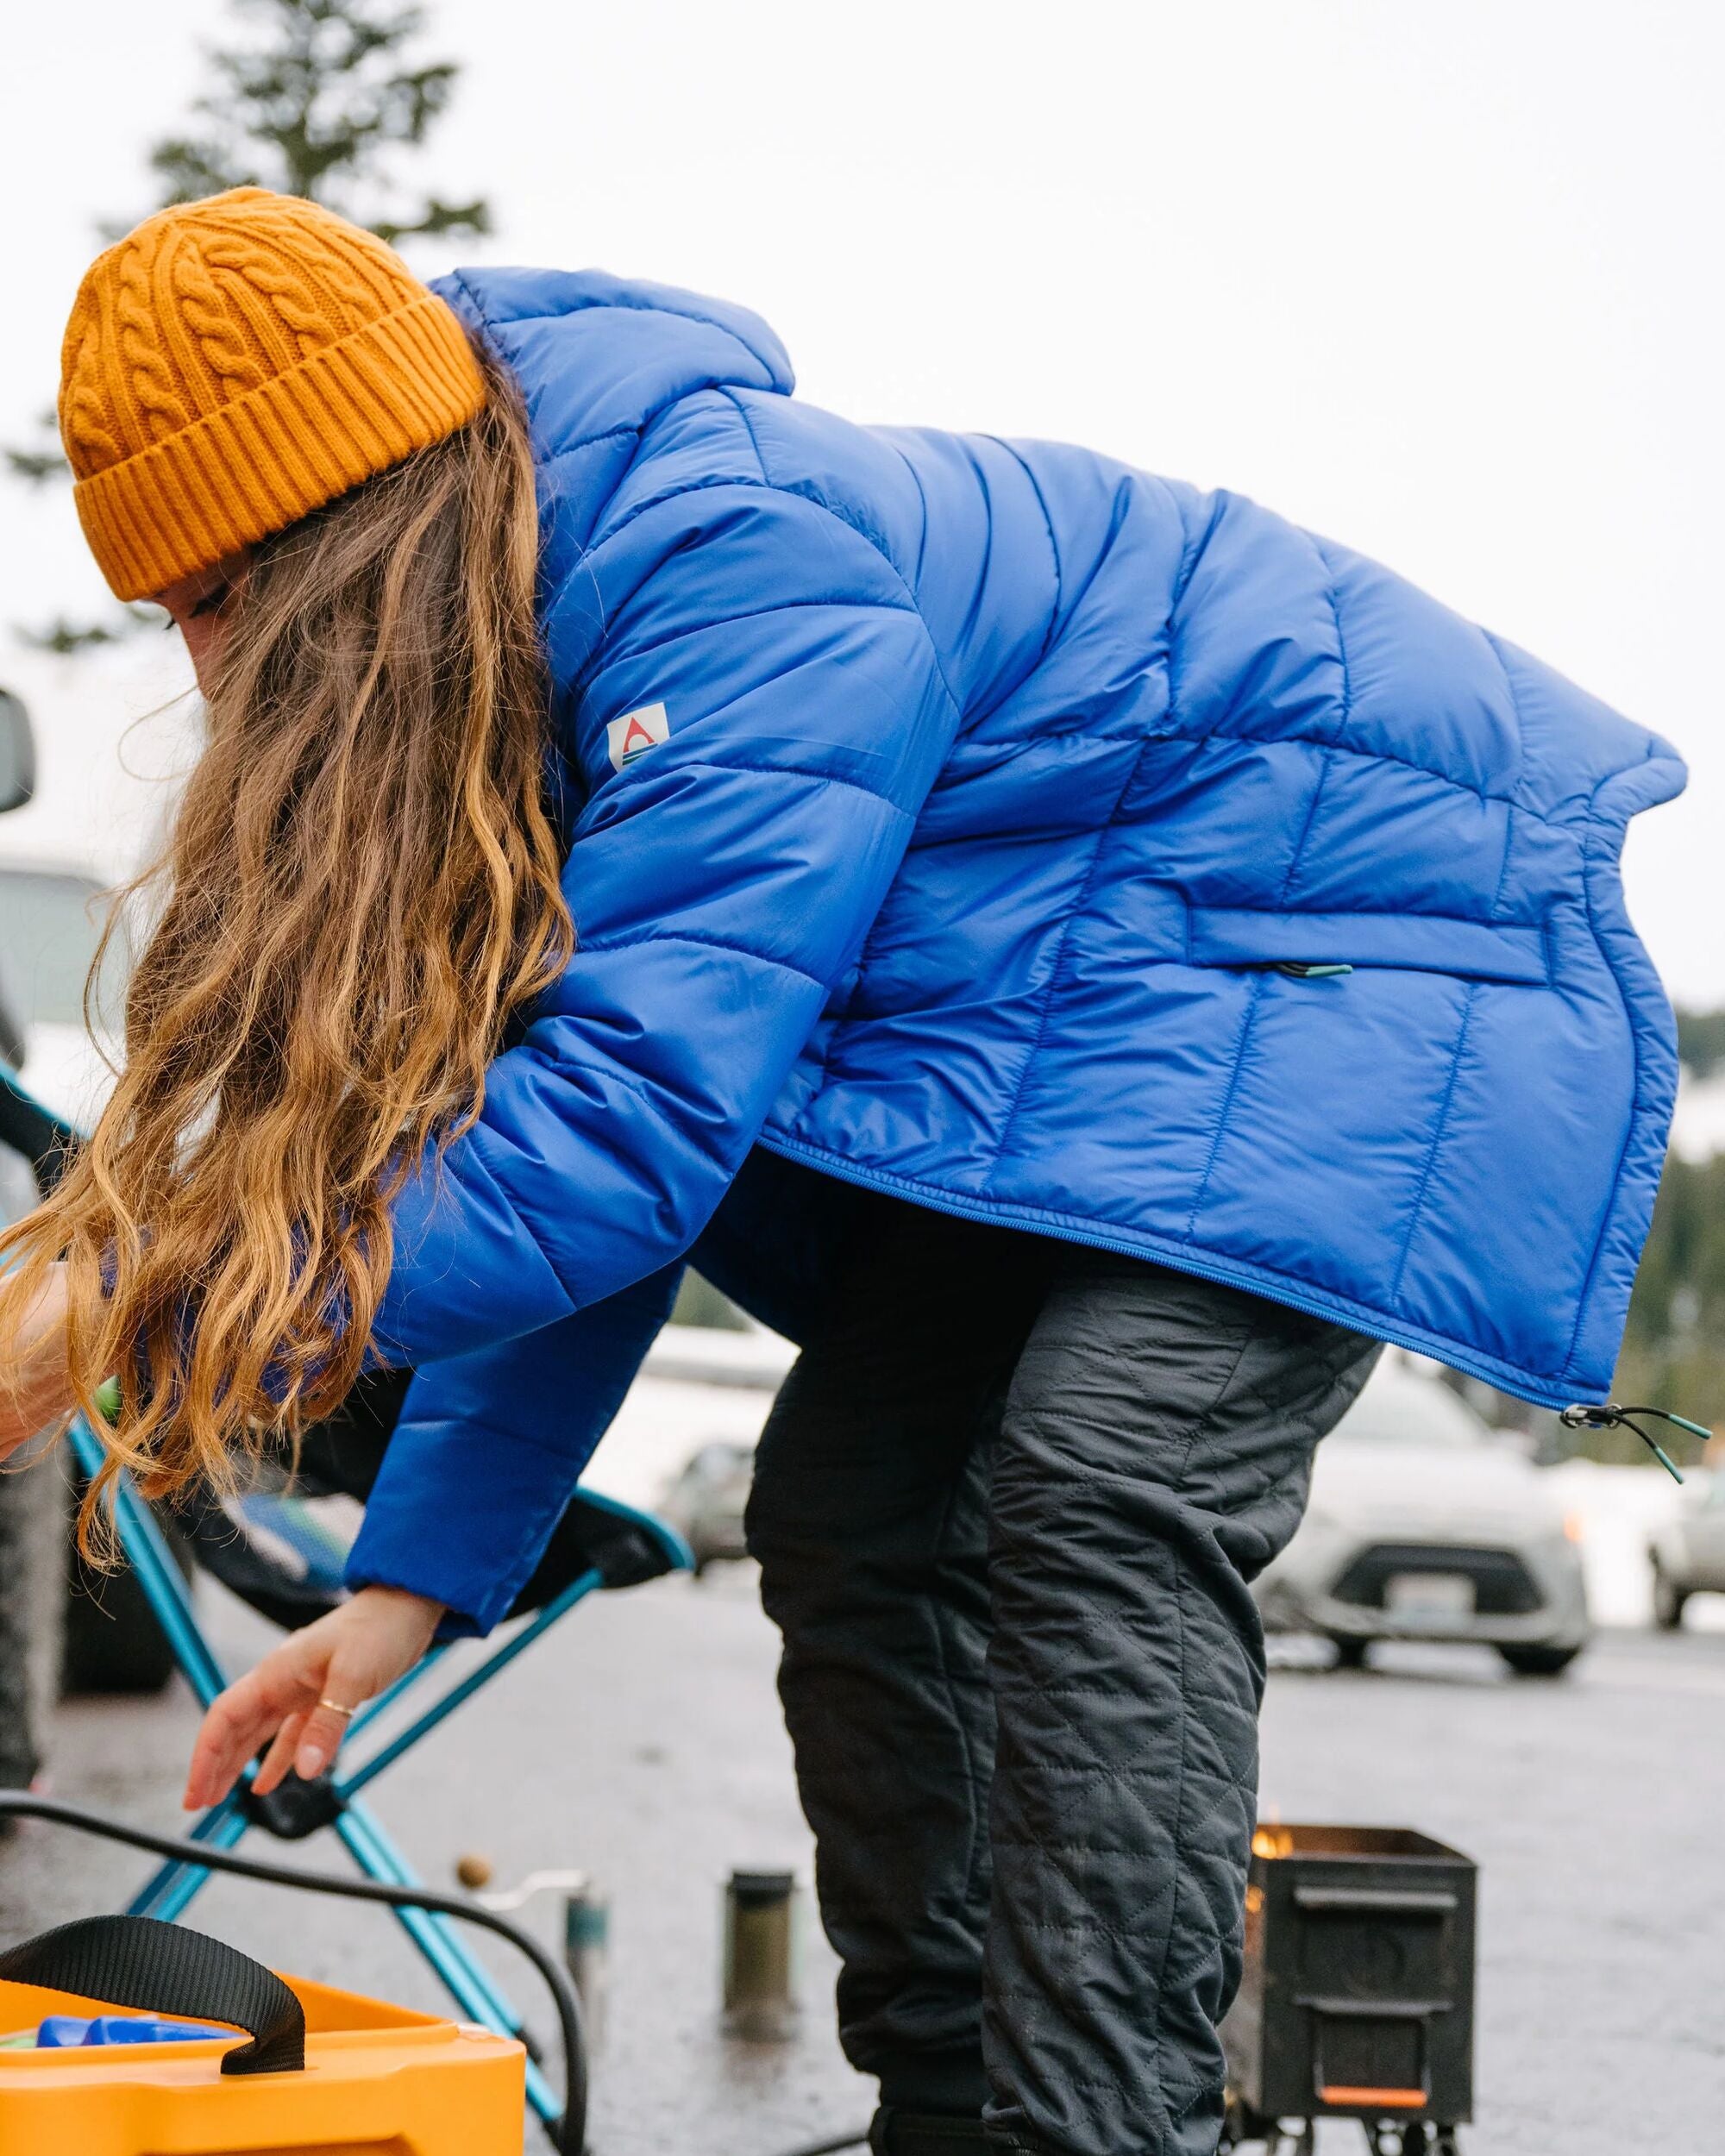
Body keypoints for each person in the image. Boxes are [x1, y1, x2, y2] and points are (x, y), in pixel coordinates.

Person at [0, 189, 1684, 2156]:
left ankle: (1091, 2132)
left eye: (221, 599)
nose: (206, 672)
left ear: (349, 530)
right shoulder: (521, 642)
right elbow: (585, 1139)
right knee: (855, 1494)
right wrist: (399, 1597)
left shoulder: (731, 573)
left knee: (1100, 1466)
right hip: (1095, 1017)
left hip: (1367, 945)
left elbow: (615, 1143)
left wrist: (136, 1299)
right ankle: (956, 2108)